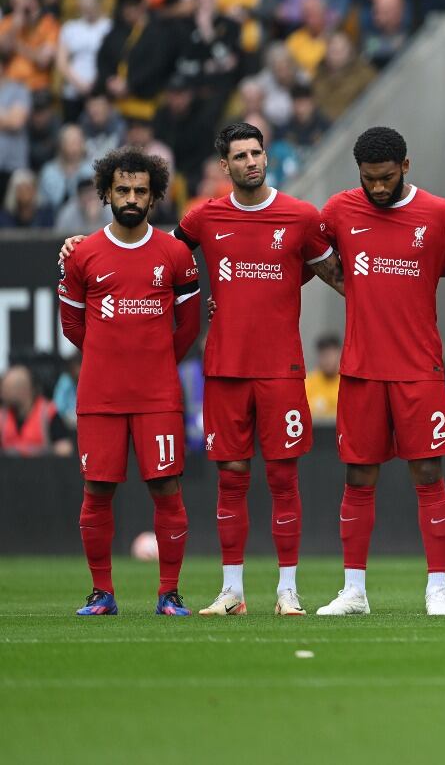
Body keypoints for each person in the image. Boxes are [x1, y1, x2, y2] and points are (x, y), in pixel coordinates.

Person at [60, 123, 341, 617]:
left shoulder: (300, 216)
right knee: (230, 476)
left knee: (282, 477)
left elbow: (334, 273)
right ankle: (231, 592)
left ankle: (287, 591)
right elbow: (152, 252)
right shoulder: (201, 219)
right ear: (224, 165)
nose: (251, 161)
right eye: (240, 155)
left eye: (257, 152)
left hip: (281, 368)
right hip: (224, 370)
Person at [315, 127, 445, 617]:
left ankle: (436, 592)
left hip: (419, 368)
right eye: (369, 179)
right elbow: (303, 256)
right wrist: (349, 288)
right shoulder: (339, 211)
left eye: (386, 178)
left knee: (428, 472)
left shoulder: (439, 214)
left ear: (405, 166)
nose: (378, 188)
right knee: (359, 475)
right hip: (362, 368)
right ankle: (354, 592)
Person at [58, 147, 202, 616]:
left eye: (141, 190)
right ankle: (102, 593)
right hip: (100, 396)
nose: (132, 197)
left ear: (156, 195)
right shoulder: (82, 254)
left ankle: (169, 594)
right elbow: (73, 327)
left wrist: (154, 362)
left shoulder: (175, 253)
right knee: (98, 491)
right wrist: (109, 357)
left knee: (166, 490)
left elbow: (188, 329)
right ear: (106, 192)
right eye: (123, 189)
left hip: (158, 396)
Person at [0, 365, 72, 456]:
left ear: (24, 390)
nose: (2, 394)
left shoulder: (48, 413)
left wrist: (41, 453)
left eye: (8, 389)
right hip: (7, 469)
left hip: (42, 468)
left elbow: (65, 449)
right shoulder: (2, 416)